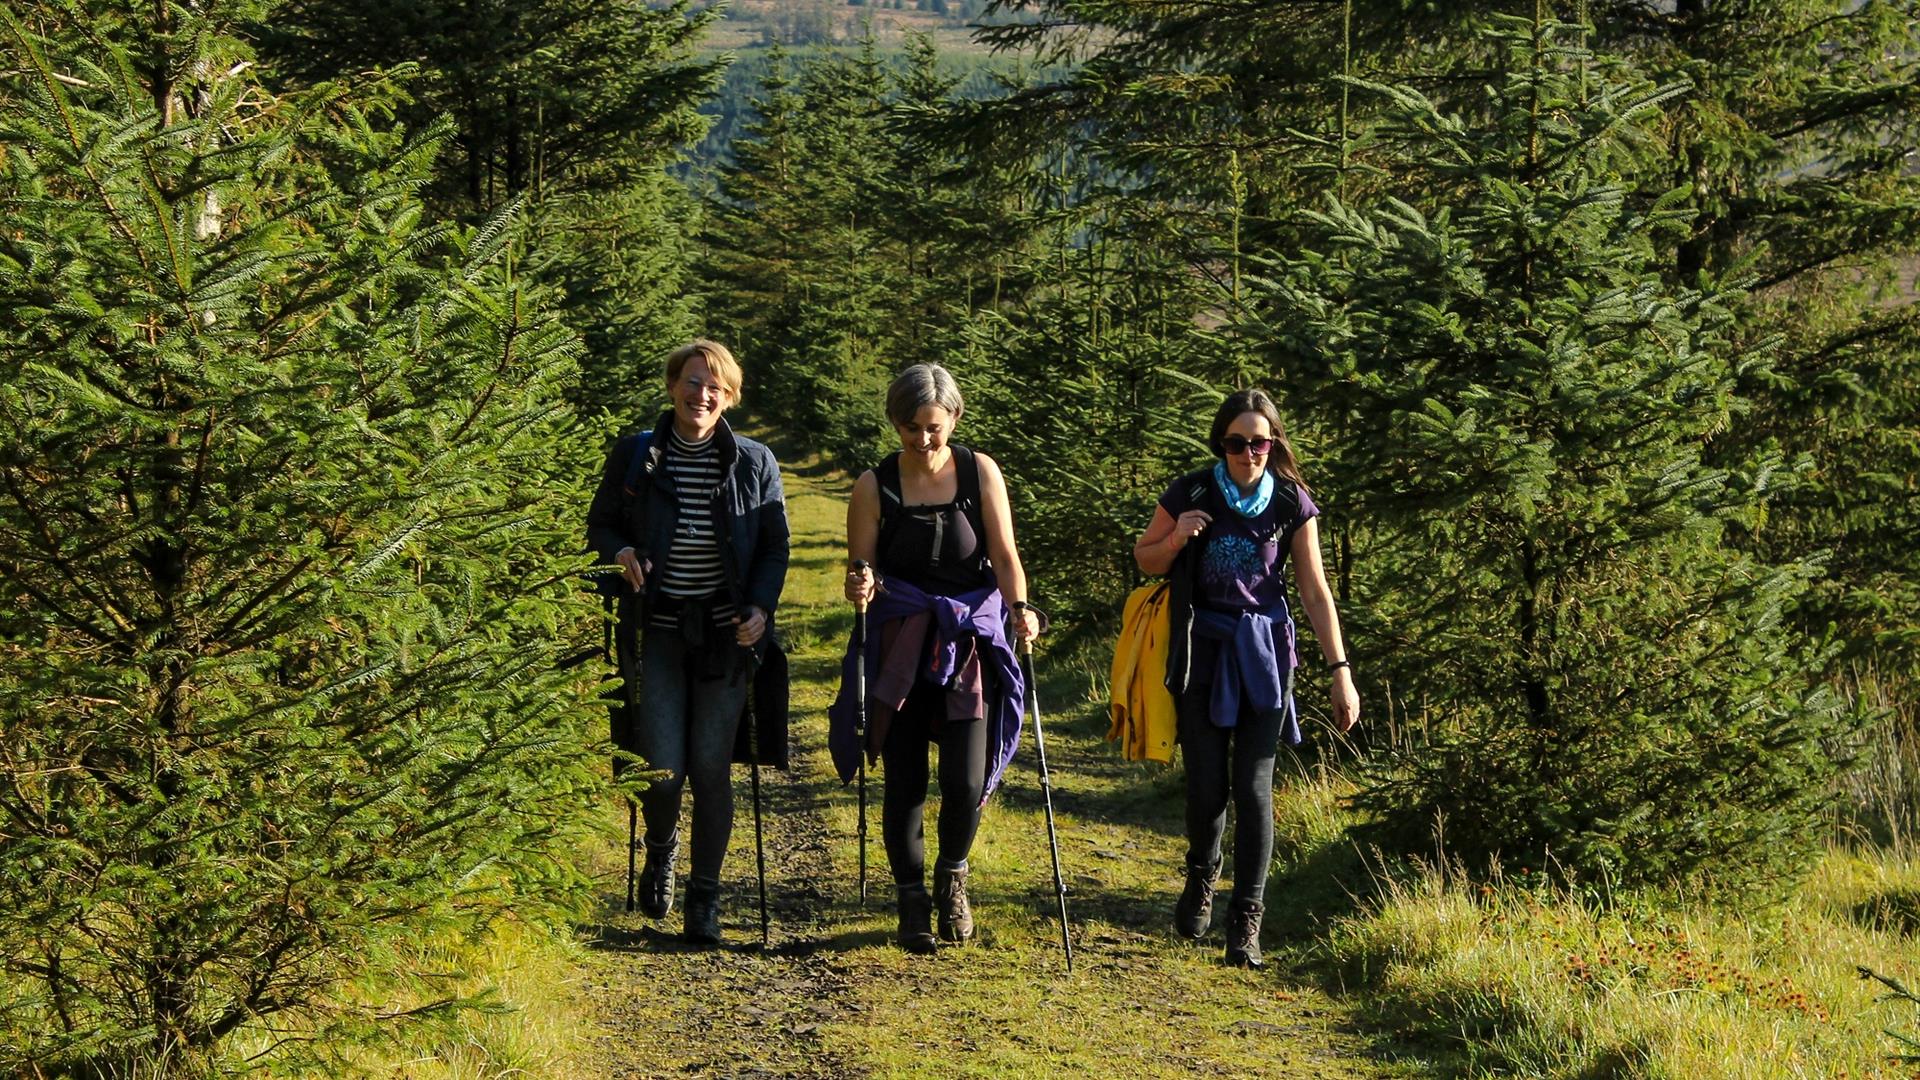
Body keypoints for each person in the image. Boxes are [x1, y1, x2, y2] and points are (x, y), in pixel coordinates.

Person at [1132, 388, 1359, 968]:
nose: (1248, 452)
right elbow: (1146, 557)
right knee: (1207, 786)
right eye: (1237, 442)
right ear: (1222, 443)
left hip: (1263, 656)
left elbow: (1313, 590)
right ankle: (1201, 878)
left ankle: (1246, 924)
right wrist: (1178, 534)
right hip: (1200, 651)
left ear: (1273, 443)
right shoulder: (1193, 490)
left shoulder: (1291, 502)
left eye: (1259, 442)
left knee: (1255, 790)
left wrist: (1340, 672)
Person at [829, 364, 1041, 954]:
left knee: (965, 778)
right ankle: (910, 901)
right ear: (896, 424)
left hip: (967, 639)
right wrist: (860, 583)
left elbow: (1003, 553)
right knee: (905, 780)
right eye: (910, 428)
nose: (922, 440)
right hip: (900, 638)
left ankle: (952, 875)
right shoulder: (875, 485)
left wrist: (1020, 607)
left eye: (933, 427)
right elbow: (861, 564)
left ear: (954, 418)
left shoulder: (979, 472)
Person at [586, 339, 790, 946]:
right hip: (659, 633)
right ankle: (661, 848)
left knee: (710, 769)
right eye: (692, 382)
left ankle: (705, 897)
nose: (702, 395)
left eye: (715, 387)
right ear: (672, 385)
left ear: (729, 398)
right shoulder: (636, 456)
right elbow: (599, 527)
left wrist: (760, 609)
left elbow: (776, 545)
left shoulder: (755, 462)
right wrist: (618, 552)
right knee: (663, 770)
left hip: (726, 638)